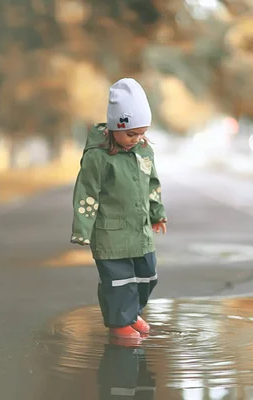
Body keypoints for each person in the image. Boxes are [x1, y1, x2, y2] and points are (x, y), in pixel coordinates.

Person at [70, 78, 167, 340]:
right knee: (118, 281)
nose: (136, 140)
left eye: (142, 133)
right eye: (130, 134)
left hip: (139, 232)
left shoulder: (144, 151)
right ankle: (119, 322)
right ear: (115, 127)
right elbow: (86, 193)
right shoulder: (98, 156)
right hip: (110, 234)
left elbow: (152, 184)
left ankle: (131, 312)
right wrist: (82, 228)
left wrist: (157, 214)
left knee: (148, 275)